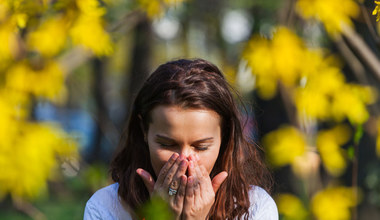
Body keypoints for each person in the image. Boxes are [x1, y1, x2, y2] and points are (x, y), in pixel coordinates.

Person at [84, 59, 278, 219]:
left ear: (224, 137)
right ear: (144, 130)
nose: (185, 160)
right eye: (167, 144)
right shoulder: (106, 207)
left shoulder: (255, 208)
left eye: (201, 147)